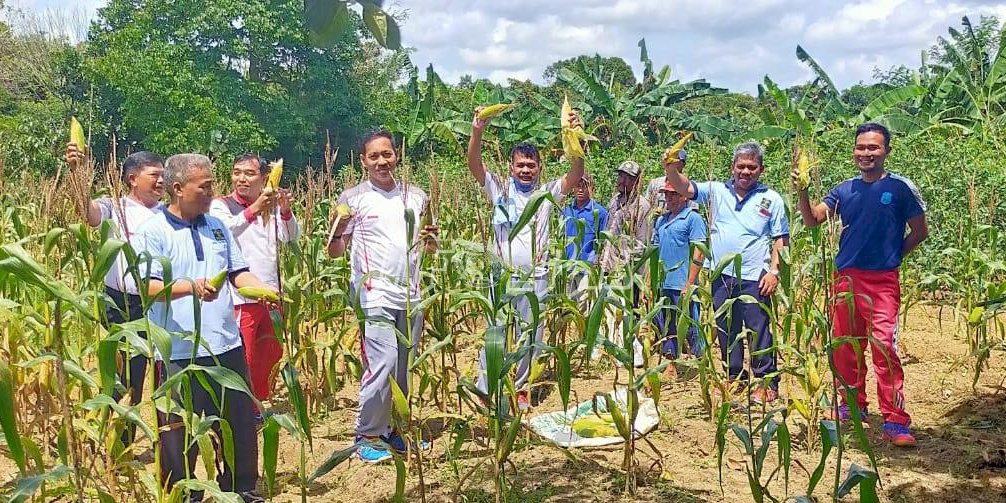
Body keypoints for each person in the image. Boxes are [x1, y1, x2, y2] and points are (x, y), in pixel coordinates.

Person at [133, 153, 275, 502]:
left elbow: (237, 273)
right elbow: (146, 288)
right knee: (178, 436)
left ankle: (241, 491)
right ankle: (183, 495)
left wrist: (262, 289)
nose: (213, 191)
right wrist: (191, 286)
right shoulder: (153, 231)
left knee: (239, 427)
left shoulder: (217, 227)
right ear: (178, 188)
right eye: (206, 185)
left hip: (226, 345)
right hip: (178, 354)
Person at [794, 123, 928, 447]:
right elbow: (813, 219)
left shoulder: (900, 189)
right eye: (861, 148)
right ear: (854, 151)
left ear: (886, 151)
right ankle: (852, 406)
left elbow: (920, 231)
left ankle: (895, 421)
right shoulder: (844, 190)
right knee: (845, 347)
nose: (866, 153)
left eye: (873, 148)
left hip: (883, 282)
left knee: (884, 348)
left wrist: (895, 256)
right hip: (846, 279)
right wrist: (802, 189)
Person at [327, 130, 438, 464]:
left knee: (404, 367)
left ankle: (396, 429)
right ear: (363, 161)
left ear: (397, 156)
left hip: (411, 295)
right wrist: (335, 225)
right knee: (383, 362)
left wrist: (432, 241)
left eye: (387, 154)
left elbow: (429, 245)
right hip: (373, 294)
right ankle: (368, 432)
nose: (381, 162)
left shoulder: (417, 196)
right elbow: (334, 251)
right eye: (373, 156)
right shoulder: (353, 198)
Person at [468, 106, 585, 410]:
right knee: (497, 332)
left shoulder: (547, 194)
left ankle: (520, 388)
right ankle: (487, 386)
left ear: (539, 168)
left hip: (537, 278)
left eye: (531, 165)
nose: (525, 170)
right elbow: (474, 164)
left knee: (530, 335)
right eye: (520, 165)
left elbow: (575, 175)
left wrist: (575, 138)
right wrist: (478, 130)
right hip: (503, 277)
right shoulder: (500, 191)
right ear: (511, 167)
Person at [663, 141, 789, 403]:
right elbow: (684, 188)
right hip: (722, 274)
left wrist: (774, 271)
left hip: (756, 276)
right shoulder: (717, 191)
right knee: (726, 328)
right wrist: (671, 169)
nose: (745, 172)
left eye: (751, 167)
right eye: (741, 166)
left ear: (761, 169)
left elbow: (780, 239)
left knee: (758, 329)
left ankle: (767, 382)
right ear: (732, 167)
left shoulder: (772, 199)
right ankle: (735, 378)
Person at [65, 142, 164, 447]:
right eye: (154, 175)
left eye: (164, 176)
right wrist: (77, 171)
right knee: (122, 378)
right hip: (121, 304)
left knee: (154, 376)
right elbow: (89, 213)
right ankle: (116, 445)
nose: (161, 181)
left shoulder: (168, 213)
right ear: (133, 178)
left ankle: (154, 443)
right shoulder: (113, 206)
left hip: (158, 303)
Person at [210, 154, 299, 402]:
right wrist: (255, 208)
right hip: (240, 297)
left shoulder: (269, 210)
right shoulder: (222, 206)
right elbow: (224, 231)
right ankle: (242, 406)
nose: (241, 178)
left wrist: (285, 210)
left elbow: (290, 237)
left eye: (249, 173)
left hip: (270, 295)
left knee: (270, 355)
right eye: (237, 172)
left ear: (263, 177)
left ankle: (258, 403)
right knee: (244, 357)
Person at [600, 161, 652, 368]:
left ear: (637, 181)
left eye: (628, 177)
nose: (622, 181)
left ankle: (634, 350)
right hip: (609, 265)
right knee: (611, 310)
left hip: (628, 269)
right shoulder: (614, 202)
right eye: (621, 175)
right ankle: (615, 348)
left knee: (630, 310)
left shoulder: (643, 206)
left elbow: (642, 242)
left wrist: (628, 265)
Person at [652, 182, 706, 376]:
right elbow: (654, 253)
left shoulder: (692, 219)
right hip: (663, 283)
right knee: (666, 324)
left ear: (684, 196)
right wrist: (651, 282)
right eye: (666, 194)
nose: (669, 198)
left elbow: (699, 252)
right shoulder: (661, 221)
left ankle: (702, 362)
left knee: (691, 324)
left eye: (673, 194)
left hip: (682, 283)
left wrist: (689, 283)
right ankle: (670, 364)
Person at [561, 174, 608, 359]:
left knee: (585, 307)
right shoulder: (565, 210)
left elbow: (603, 241)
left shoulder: (599, 212)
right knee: (567, 308)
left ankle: (590, 343)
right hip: (566, 267)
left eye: (585, 185)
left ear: (592, 187)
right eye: (577, 185)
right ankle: (574, 343)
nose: (580, 189)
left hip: (586, 267)